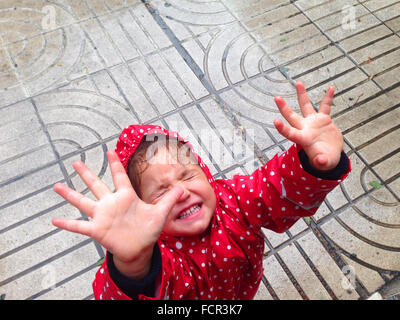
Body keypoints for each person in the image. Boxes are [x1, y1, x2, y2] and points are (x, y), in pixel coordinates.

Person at [52, 82, 351, 300]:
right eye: (160, 191)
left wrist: (313, 163)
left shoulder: (233, 199)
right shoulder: (156, 252)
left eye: (188, 175)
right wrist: (133, 262)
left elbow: (277, 188)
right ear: (139, 207)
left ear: (206, 173)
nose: (181, 192)